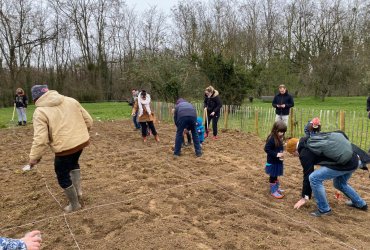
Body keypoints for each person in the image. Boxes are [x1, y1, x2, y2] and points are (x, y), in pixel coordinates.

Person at [28, 84, 93, 213]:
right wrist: (80, 133)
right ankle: (78, 192)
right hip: (81, 143)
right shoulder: (71, 100)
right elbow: (89, 121)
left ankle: (75, 205)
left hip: (64, 148)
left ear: (35, 98)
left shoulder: (40, 112)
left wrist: (34, 158)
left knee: (62, 174)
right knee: (73, 163)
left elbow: (41, 139)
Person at [286, 136, 367, 217]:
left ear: (294, 150)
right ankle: (360, 203)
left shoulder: (304, 153)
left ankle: (324, 209)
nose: (294, 156)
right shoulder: (310, 139)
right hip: (355, 157)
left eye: (293, 154)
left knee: (314, 178)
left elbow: (307, 175)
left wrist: (304, 197)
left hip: (346, 162)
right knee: (339, 183)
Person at [264, 121, 287, 199]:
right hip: (272, 161)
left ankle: (276, 188)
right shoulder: (271, 138)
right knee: (273, 176)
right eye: (280, 132)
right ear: (275, 130)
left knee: (276, 175)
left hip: (278, 161)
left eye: (283, 132)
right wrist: (276, 154)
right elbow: (267, 149)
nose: (282, 133)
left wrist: (283, 146)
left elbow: (278, 146)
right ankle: (273, 191)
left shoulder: (279, 137)